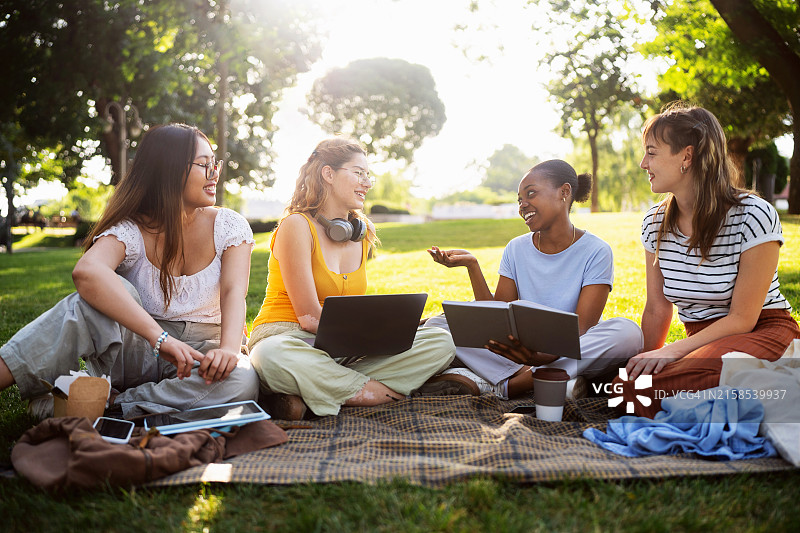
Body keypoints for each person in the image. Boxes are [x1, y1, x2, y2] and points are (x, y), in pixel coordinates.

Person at [0, 124, 259, 419]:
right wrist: (161, 339)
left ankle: (110, 404)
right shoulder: (131, 229)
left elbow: (233, 292)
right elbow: (87, 272)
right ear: (169, 170)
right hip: (139, 352)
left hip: (204, 355)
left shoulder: (230, 226)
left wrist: (228, 350)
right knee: (92, 300)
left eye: (215, 164)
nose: (215, 173)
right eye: (204, 164)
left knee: (242, 380)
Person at [247, 137, 458, 420]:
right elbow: (309, 317)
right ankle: (375, 392)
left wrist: (387, 331)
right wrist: (368, 334)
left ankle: (312, 396)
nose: (367, 183)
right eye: (358, 173)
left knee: (440, 341)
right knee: (272, 357)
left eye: (368, 175)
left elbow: (351, 310)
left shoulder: (362, 234)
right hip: (289, 337)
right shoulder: (296, 226)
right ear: (328, 174)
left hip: (339, 348)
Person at [615, 102, 800, 417]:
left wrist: (672, 352)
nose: (643, 163)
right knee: (631, 392)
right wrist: (643, 366)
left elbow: (743, 319)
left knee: (669, 386)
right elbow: (658, 308)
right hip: (702, 343)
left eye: (652, 152)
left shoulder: (753, 214)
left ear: (687, 156)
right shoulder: (654, 223)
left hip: (764, 332)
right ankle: (751, 394)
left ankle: (772, 383)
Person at [422, 159, 643, 400]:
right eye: (519, 200)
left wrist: (538, 358)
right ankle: (554, 379)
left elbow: (581, 330)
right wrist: (472, 266)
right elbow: (496, 315)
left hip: (568, 348)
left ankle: (509, 385)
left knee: (627, 332)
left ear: (564, 193)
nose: (522, 205)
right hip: (519, 353)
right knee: (438, 325)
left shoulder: (596, 250)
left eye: (531, 194)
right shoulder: (516, 248)